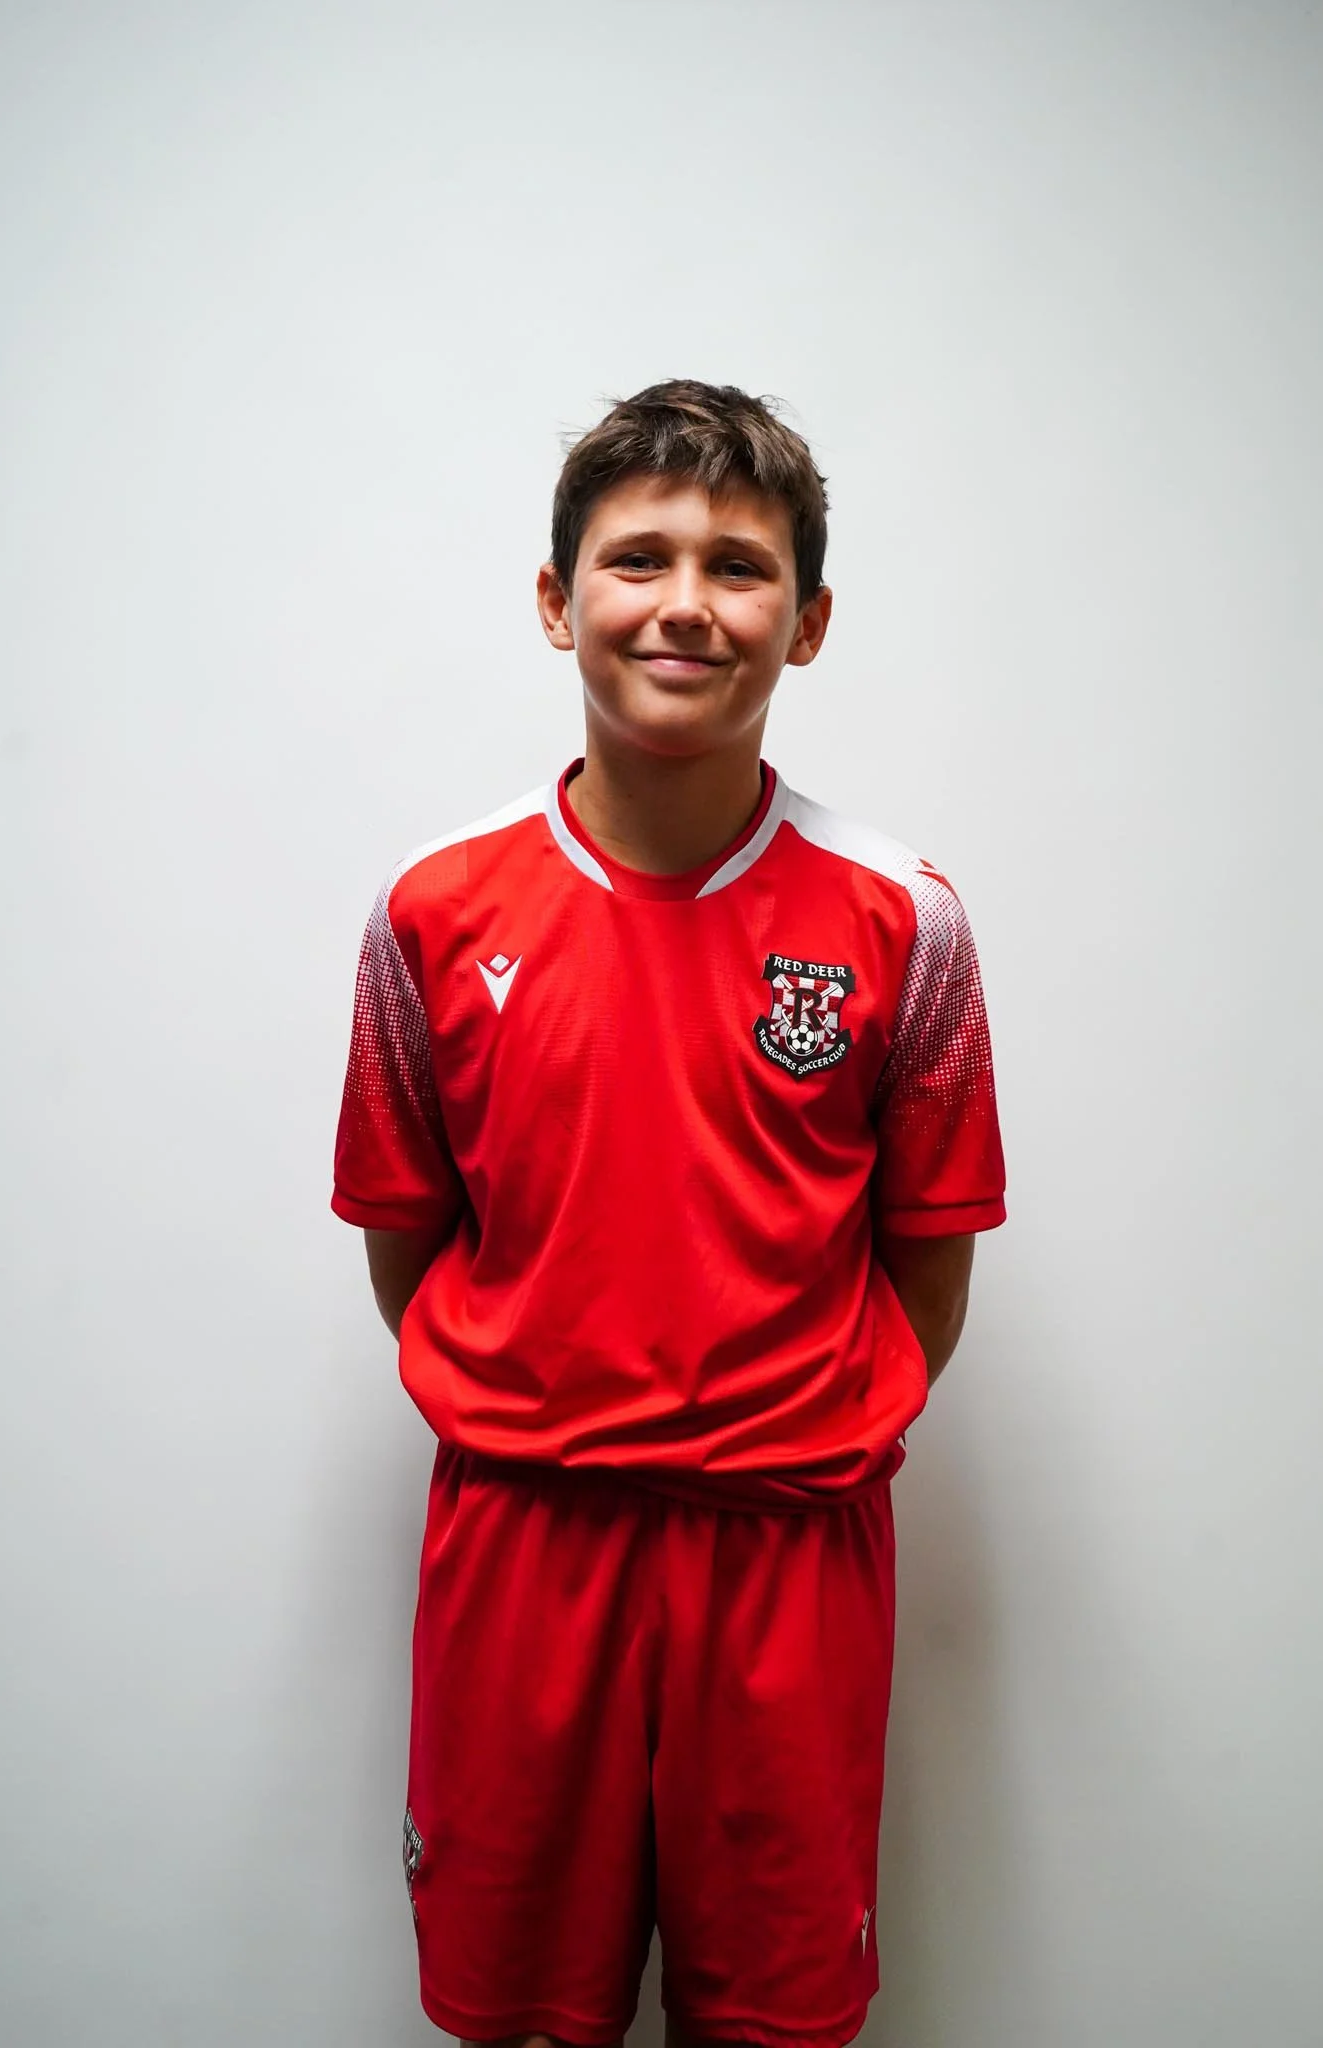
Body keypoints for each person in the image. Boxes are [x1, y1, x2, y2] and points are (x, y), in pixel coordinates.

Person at [331, 378, 1006, 2048]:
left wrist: (787, 1428)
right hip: (522, 1550)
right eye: (639, 559)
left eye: (740, 565)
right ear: (559, 600)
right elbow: (406, 1245)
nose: (686, 604)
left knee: (768, 2020)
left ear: (811, 620)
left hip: (784, 1561)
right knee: (515, 2013)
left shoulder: (901, 920)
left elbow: (929, 1268)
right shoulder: (434, 909)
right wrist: (541, 1402)